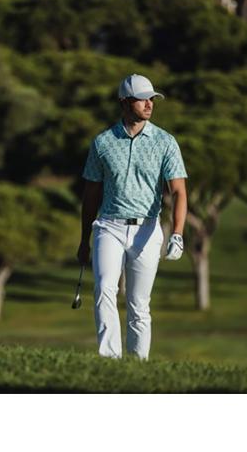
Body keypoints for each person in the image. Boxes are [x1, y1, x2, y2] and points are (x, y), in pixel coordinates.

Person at [77, 74, 188, 360]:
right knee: (104, 289)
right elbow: (91, 195)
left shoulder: (165, 142)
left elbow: (178, 191)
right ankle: (109, 359)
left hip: (147, 230)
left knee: (138, 304)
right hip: (109, 226)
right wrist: (84, 240)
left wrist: (177, 233)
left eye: (152, 99)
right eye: (142, 99)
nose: (149, 104)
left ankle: (138, 365)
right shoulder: (102, 143)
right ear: (125, 102)